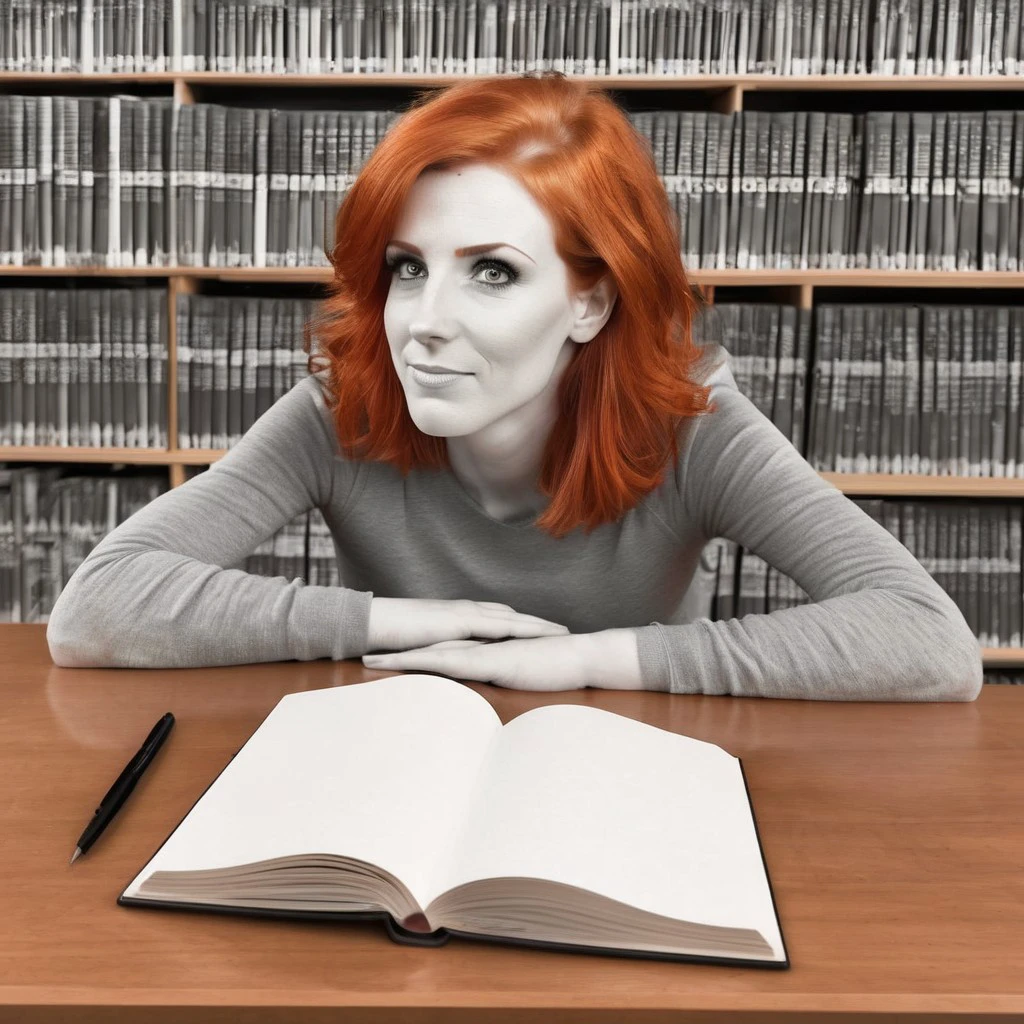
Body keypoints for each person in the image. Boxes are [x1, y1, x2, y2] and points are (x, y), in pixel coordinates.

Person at [46, 73, 982, 700]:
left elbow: (927, 640)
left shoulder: (689, 426)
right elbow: (98, 608)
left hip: (627, 768)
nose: (421, 321)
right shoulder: (346, 409)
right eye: (408, 268)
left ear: (591, 303)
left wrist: (582, 660)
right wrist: (412, 625)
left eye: (492, 271)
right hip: (407, 763)